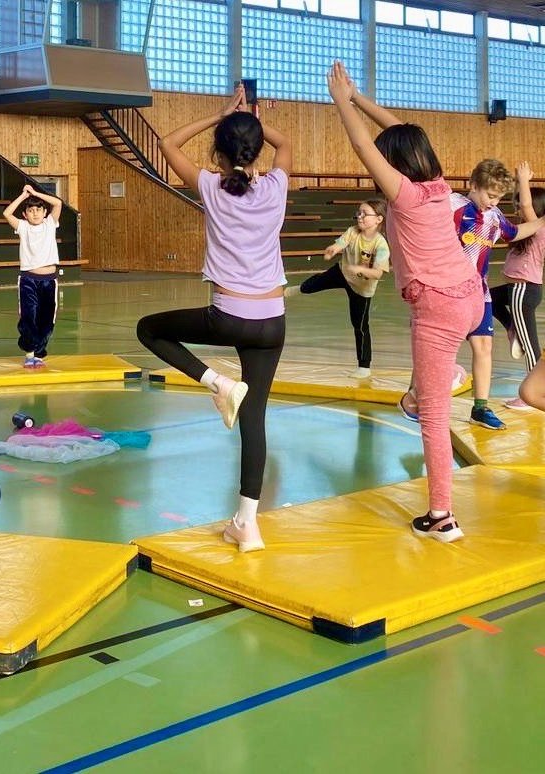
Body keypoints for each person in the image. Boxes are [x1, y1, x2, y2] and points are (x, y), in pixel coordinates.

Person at [327, 61, 482, 543]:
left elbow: (363, 145)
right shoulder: (437, 185)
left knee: (433, 417)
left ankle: (442, 517)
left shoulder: (405, 195)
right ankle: (435, 382)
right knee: (423, 396)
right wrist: (358, 98)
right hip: (470, 298)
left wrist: (341, 103)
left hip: (438, 308)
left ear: (395, 165)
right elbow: (400, 132)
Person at [136, 83, 291, 553]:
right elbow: (282, 145)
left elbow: (165, 144)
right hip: (274, 320)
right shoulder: (278, 185)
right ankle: (247, 522)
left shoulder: (209, 185)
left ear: (218, 154)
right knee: (255, 417)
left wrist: (220, 115)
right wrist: (250, 121)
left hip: (229, 316)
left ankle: (216, 383)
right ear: (257, 149)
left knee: (149, 329)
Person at [448, 159, 545, 430]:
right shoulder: (451, 206)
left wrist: (541, 221)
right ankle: (417, 396)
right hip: (449, 292)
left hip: (482, 293)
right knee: (441, 347)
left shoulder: (494, 216)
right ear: (474, 185)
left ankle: (481, 408)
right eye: (491, 196)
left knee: (485, 347)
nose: (494, 202)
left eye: (499, 198)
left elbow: (516, 230)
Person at [286, 198, 390, 378]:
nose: (360, 216)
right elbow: (341, 243)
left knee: (360, 325)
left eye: (365, 214)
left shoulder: (381, 245)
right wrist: (333, 248)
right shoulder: (353, 231)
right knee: (315, 283)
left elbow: (378, 273)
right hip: (342, 273)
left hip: (362, 289)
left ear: (378, 219)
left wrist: (360, 269)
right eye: (359, 212)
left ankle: (364, 366)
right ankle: (292, 291)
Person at [490, 183, 545, 409]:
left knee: (531, 345)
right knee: (486, 298)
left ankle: (530, 395)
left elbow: (525, 203)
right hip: (517, 290)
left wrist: (522, 179)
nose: (518, 208)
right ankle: (513, 328)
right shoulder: (524, 230)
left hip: (524, 291)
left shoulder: (540, 228)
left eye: (521, 205)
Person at [3, 184, 63, 367]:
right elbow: (7, 213)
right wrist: (23, 196)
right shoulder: (23, 227)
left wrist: (36, 193)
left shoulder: (50, 224)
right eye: (31, 210)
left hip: (49, 280)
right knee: (29, 316)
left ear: (45, 212)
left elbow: (58, 203)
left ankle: (38, 352)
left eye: (39, 209)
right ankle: (29, 353)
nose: (35, 213)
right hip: (29, 279)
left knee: (46, 318)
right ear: (25, 214)